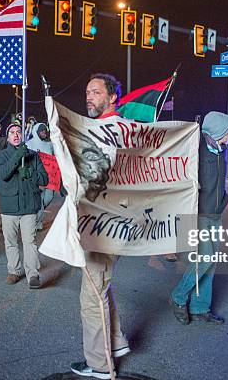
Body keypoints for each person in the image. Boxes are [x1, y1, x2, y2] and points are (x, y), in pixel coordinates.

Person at [71, 73, 129, 380]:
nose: (89, 97)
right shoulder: (119, 129)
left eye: (96, 92)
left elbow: (97, 176)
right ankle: (116, 344)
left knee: (92, 295)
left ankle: (100, 364)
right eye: (87, 92)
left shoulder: (111, 131)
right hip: (111, 221)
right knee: (101, 286)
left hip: (103, 223)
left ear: (112, 97)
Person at [169, 111, 228, 326]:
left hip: (215, 213)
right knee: (202, 260)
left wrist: (224, 202)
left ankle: (200, 308)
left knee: (211, 262)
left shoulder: (219, 149)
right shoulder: (195, 150)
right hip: (197, 215)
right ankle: (178, 297)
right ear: (217, 132)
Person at [0, 123, 48, 288]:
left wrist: (31, 173)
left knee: (29, 241)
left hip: (28, 206)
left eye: (18, 132)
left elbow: (44, 179)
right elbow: (3, 174)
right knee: (10, 242)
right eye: (12, 132)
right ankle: (14, 271)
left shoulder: (33, 155)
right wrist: (17, 156)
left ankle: (33, 274)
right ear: (8, 136)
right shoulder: (0, 155)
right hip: (9, 206)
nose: (16, 135)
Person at [26, 123, 54, 230]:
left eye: (45, 130)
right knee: (40, 199)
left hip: (50, 177)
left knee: (49, 197)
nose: (44, 132)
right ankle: (38, 223)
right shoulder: (30, 144)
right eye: (42, 131)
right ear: (37, 132)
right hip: (38, 177)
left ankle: (35, 214)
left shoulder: (49, 144)